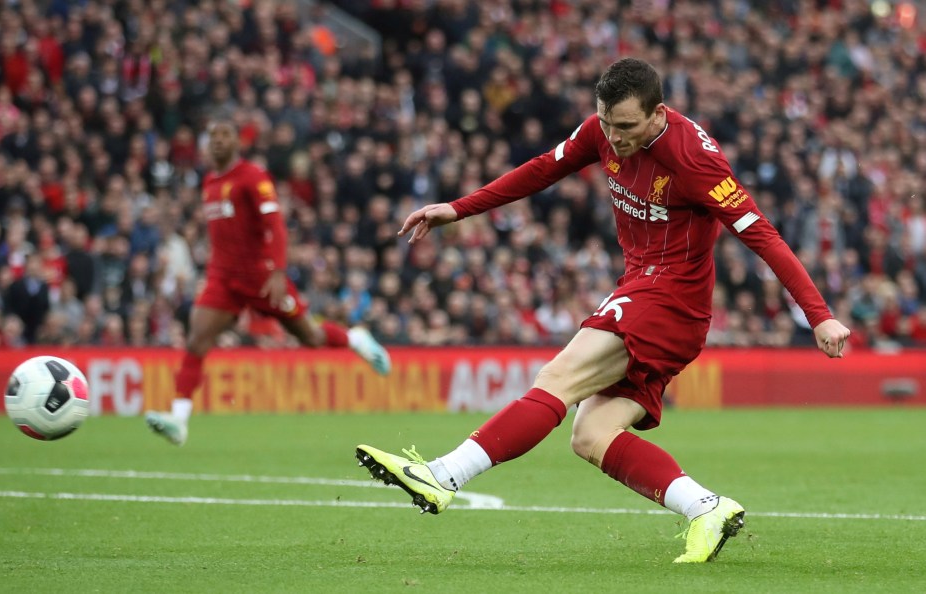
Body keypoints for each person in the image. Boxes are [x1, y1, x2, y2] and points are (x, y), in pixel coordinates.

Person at [355, 58, 850, 563]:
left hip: (670, 299)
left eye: (627, 126)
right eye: (607, 122)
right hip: (644, 290)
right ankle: (706, 508)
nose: (613, 137)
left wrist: (819, 314)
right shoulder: (601, 129)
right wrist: (458, 208)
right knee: (590, 435)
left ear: (658, 113)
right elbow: (543, 169)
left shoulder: (693, 158)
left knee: (558, 376)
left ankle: (443, 475)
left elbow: (761, 234)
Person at [146, 119, 391, 446]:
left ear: (236, 142)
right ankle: (179, 420)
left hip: (262, 279)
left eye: (225, 135)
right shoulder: (209, 182)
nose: (218, 141)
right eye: (213, 135)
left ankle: (355, 339)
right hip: (223, 279)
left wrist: (277, 271)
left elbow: (275, 225)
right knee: (196, 340)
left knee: (311, 337)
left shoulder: (252, 177)